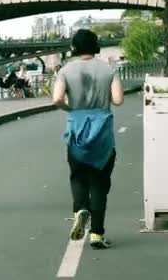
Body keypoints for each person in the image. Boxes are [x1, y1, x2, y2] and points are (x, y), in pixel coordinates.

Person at [52, 29, 124, 249]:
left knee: (78, 176)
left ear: (74, 47)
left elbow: (56, 99)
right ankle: (96, 234)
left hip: (77, 129)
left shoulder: (66, 70)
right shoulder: (109, 70)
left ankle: (80, 207)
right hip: (102, 132)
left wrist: (71, 109)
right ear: (95, 45)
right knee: (100, 184)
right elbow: (118, 99)